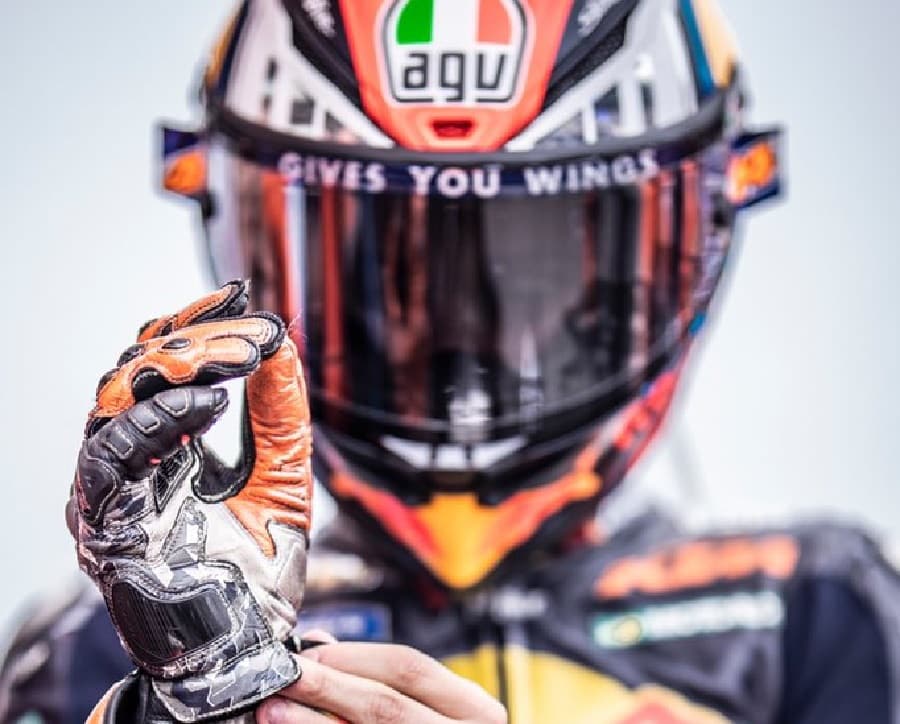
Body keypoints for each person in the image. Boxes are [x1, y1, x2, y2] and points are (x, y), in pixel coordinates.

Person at [2, 1, 898, 722]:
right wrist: (186, 697)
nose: (463, 340)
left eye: (538, 262)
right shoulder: (107, 651)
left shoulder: (825, 617)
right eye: (386, 270)